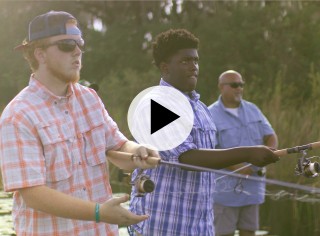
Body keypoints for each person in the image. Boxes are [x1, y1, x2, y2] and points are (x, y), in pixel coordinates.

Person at [0, 11, 159, 236]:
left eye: (80, 44)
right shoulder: (18, 115)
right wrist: (98, 212)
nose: (77, 51)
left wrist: (138, 150)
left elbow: (118, 147)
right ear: (40, 54)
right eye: (67, 45)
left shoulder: (89, 98)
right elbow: (32, 193)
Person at [129, 29, 279, 236]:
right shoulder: (157, 105)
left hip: (200, 224)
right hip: (163, 223)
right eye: (185, 61)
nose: (194, 67)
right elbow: (187, 158)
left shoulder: (200, 108)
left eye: (196, 61)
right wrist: (247, 153)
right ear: (165, 67)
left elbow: (211, 156)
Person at [208, 70, 278, 236]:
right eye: (234, 85)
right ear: (221, 87)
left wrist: (267, 156)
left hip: (253, 189)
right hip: (225, 192)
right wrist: (239, 167)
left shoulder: (253, 109)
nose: (238, 88)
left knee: (249, 231)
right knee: (223, 233)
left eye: (241, 85)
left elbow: (271, 136)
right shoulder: (210, 114)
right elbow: (211, 151)